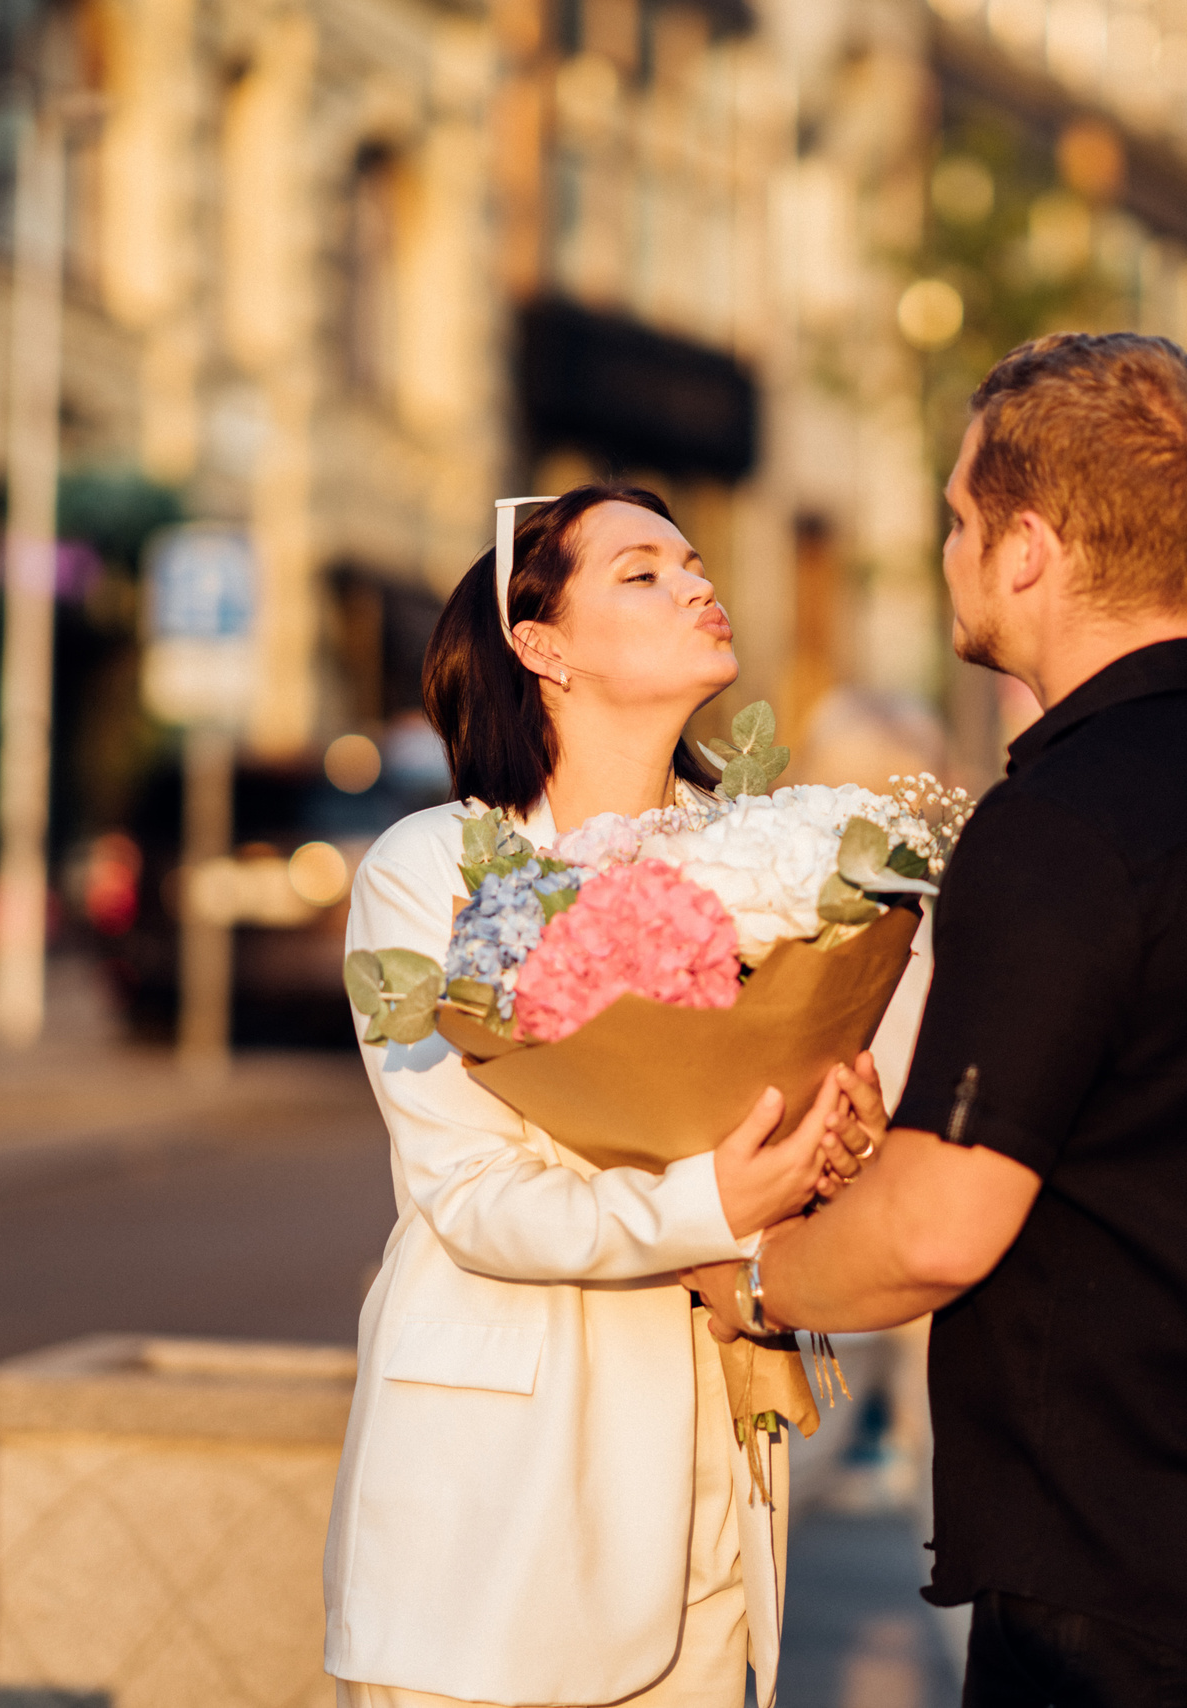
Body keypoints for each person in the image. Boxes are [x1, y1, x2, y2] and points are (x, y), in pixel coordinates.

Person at [688, 333, 1187, 1708]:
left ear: (1028, 549)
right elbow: (1173, 1142)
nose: (948, 551)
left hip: (1122, 1606)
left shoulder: (1061, 825)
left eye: (960, 519)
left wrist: (743, 1285)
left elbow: (937, 1227)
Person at [324, 485, 881, 1708]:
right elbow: (471, 1195)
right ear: (541, 643)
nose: (697, 581)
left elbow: (804, 1123)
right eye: (642, 571)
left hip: (713, 1504)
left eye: (694, 561)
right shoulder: (438, 874)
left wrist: (837, 1147)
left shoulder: (774, 862)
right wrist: (714, 1200)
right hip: (498, 1525)